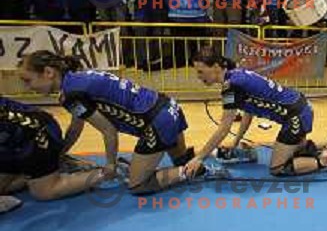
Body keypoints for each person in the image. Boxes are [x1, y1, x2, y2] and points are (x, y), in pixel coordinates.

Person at [19, 51, 198, 195]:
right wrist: (61, 153)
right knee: (181, 162)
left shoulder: (71, 94)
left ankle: (199, 169)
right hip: (168, 107)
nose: (28, 87)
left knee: (138, 186)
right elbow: (76, 126)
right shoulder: (76, 81)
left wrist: (110, 165)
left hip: (157, 121)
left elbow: (108, 131)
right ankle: (193, 167)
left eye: (28, 80)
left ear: (49, 73)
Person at [183, 52, 327, 178]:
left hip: (294, 116)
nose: (199, 77)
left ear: (215, 67)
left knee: (278, 168)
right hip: (300, 108)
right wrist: (235, 144)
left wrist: (199, 158)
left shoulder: (230, 86)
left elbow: (223, 128)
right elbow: (248, 113)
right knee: (298, 149)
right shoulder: (237, 75)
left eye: (200, 71)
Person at [0, 95, 107, 201]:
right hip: (14, 140)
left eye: (28, 81)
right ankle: (49, 168)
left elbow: (80, 125)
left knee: (43, 192)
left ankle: (108, 173)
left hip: (38, 133)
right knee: (8, 187)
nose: (28, 86)